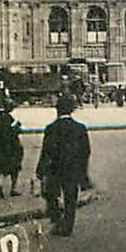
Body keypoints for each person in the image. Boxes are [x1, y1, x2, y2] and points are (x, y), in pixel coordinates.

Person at [35, 96, 92, 237]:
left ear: (57, 110)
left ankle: (57, 220)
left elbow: (45, 151)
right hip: (72, 169)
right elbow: (85, 152)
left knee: (51, 196)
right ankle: (68, 226)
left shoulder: (51, 128)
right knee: (70, 199)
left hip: (55, 169)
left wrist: (40, 170)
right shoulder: (80, 128)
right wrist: (83, 173)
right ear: (72, 110)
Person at [0, 100, 25, 197]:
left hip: (0, 147)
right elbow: (10, 132)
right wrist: (17, 127)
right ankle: (13, 188)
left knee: (1, 169)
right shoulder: (9, 118)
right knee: (15, 168)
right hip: (11, 147)